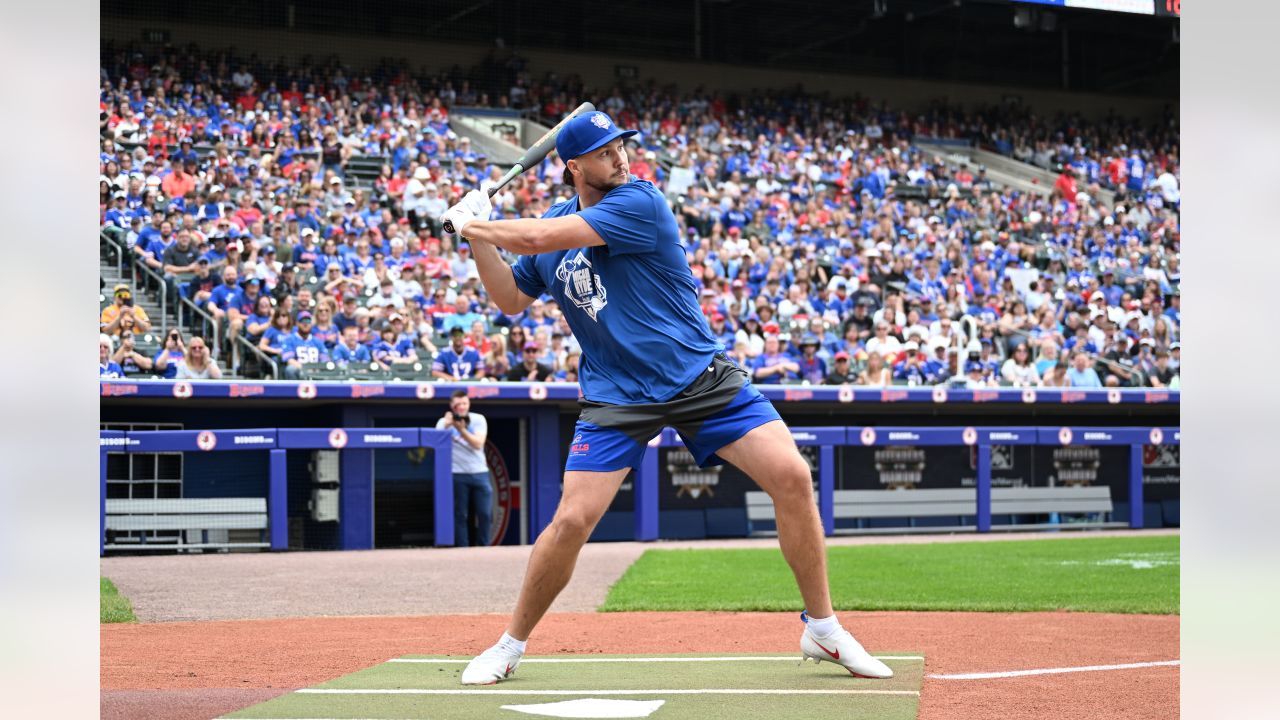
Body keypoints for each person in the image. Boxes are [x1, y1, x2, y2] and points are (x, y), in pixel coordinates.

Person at [440, 111, 892, 685]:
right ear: (575, 166)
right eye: (606, 153)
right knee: (572, 519)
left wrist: (478, 225)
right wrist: (478, 238)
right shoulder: (556, 221)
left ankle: (823, 629)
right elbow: (508, 296)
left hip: (698, 375)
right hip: (618, 394)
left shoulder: (640, 203)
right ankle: (509, 646)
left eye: (622, 147)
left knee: (793, 478)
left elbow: (531, 236)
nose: (622, 158)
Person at [436, 390, 492, 547]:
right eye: (458, 404)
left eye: (464, 403)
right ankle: (463, 549)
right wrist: (448, 425)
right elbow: (436, 446)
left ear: (469, 404)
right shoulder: (443, 423)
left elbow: (478, 444)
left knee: (485, 513)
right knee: (460, 514)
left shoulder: (478, 419)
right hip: (457, 473)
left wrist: (461, 429)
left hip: (480, 472)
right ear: (452, 406)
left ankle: (484, 547)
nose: (461, 407)